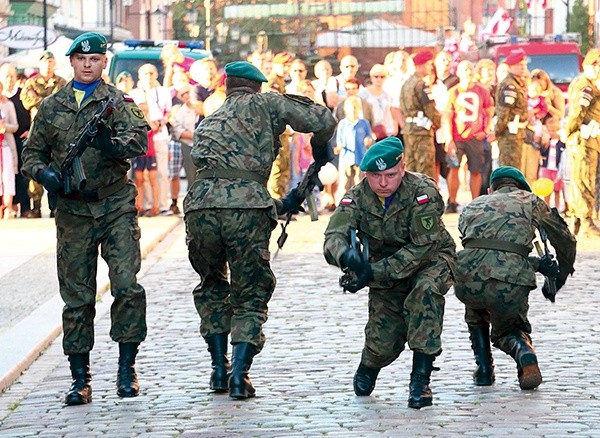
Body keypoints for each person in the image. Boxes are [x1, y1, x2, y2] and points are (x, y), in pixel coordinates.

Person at [184, 61, 336, 399]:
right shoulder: (268, 103)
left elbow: (225, 183)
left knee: (211, 284)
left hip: (200, 208)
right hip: (246, 210)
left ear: (226, 87)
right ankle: (240, 376)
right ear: (257, 86)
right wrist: (321, 149)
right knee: (250, 292)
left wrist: (282, 203)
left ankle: (219, 369)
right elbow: (322, 120)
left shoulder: (209, 119)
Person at [21, 32, 149, 406]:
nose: (88, 64)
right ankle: (81, 378)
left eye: (95, 59)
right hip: (74, 212)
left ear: (104, 62)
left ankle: (127, 369)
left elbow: (139, 140)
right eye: (81, 59)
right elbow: (32, 154)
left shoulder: (118, 102)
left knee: (127, 286)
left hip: (115, 206)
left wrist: (112, 145)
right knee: (77, 297)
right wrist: (44, 175)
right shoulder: (51, 106)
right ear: (72, 62)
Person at [323, 137, 456, 409]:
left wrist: (372, 272)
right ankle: (369, 365)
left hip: (432, 259)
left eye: (390, 175)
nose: (383, 183)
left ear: (403, 168)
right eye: (375, 176)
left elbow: (422, 247)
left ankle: (421, 380)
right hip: (384, 268)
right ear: (366, 174)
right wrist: (345, 256)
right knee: (383, 341)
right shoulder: (357, 197)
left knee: (425, 293)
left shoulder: (423, 192)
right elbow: (333, 235)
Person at [454, 166, 576, 390]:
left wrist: (537, 265)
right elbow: (565, 240)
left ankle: (483, 370)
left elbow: (484, 253)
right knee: (508, 330)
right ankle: (524, 352)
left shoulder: (473, 205)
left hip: (467, 281)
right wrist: (559, 275)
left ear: (491, 189)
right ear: (521, 187)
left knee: (477, 308)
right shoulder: (531, 201)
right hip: (509, 286)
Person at [20, 50, 68, 218]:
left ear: (55, 64)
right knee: (36, 167)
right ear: (40, 64)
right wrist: (50, 101)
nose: (48, 65)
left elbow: (65, 102)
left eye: (51, 61)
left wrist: (40, 100)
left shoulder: (62, 82)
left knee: (57, 167)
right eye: (45, 62)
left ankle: (56, 206)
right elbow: (26, 101)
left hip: (57, 131)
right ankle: (36, 206)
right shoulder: (31, 83)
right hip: (37, 131)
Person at [444, 60, 494, 212]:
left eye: (470, 69)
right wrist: (449, 138)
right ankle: (452, 202)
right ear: (458, 72)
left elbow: (490, 112)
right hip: (457, 135)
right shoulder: (453, 92)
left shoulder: (482, 91)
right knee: (453, 167)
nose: (468, 72)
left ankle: (475, 203)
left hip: (475, 136)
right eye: (464, 69)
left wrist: (485, 130)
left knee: (475, 169)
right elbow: (447, 116)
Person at [564, 48, 600, 237]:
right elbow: (577, 113)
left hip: (592, 140)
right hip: (583, 139)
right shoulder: (586, 86)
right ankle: (585, 221)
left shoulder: (592, 85)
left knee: (586, 179)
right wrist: (569, 132)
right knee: (583, 179)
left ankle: (580, 219)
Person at [400, 50, 441, 179]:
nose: (430, 67)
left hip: (409, 129)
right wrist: (438, 122)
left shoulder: (406, 83)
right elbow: (430, 109)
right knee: (425, 169)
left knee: (411, 168)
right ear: (421, 65)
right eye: (429, 64)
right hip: (421, 131)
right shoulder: (421, 84)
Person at [495, 50, 529, 169]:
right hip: (509, 134)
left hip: (516, 133)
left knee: (516, 168)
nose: (523, 68)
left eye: (524, 65)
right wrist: (497, 131)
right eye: (520, 65)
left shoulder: (518, 83)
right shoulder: (509, 85)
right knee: (510, 168)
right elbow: (505, 112)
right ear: (510, 67)